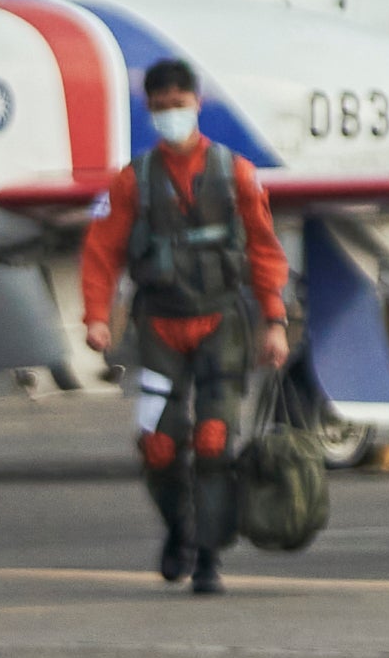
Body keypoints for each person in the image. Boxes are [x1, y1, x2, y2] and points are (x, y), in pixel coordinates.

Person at [78, 59, 289, 595]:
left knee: (215, 438)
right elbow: (102, 250)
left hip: (222, 325)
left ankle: (209, 558)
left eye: (180, 104)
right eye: (162, 107)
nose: (172, 114)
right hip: (160, 331)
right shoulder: (133, 182)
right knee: (158, 445)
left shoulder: (236, 173)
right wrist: (97, 317)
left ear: (197, 103)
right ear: (150, 110)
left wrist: (274, 320)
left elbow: (264, 249)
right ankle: (180, 528)